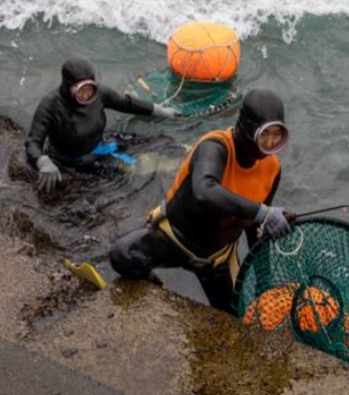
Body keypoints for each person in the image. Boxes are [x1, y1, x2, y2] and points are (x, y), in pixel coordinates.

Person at [108, 87, 292, 313]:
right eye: (264, 134)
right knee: (122, 255)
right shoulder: (215, 146)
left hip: (216, 259)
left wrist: (264, 280)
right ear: (245, 126)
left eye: (277, 135)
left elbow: (256, 227)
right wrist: (263, 212)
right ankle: (156, 289)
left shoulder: (272, 168)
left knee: (233, 315)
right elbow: (204, 191)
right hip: (175, 239)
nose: (271, 143)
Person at [25, 54, 179, 192]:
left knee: (162, 142)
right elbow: (33, 142)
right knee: (128, 178)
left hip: (102, 143)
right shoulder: (50, 105)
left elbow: (126, 104)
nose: (86, 95)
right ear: (68, 86)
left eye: (90, 88)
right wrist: (42, 161)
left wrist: (158, 110)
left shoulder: (99, 94)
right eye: (81, 91)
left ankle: (180, 159)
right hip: (75, 160)